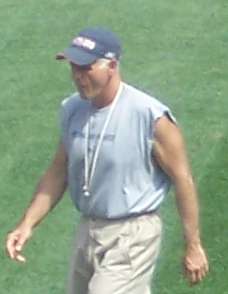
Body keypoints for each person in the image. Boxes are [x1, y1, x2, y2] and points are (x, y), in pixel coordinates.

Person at [6, 26, 209, 294]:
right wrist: (27, 224)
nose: (77, 76)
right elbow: (58, 172)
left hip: (133, 233)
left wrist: (193, 245)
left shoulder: (150, 116)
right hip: (88, 230)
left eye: (85, 68)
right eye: (73, 68)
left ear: (111, 65)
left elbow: (183, 181)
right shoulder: (72, 109)